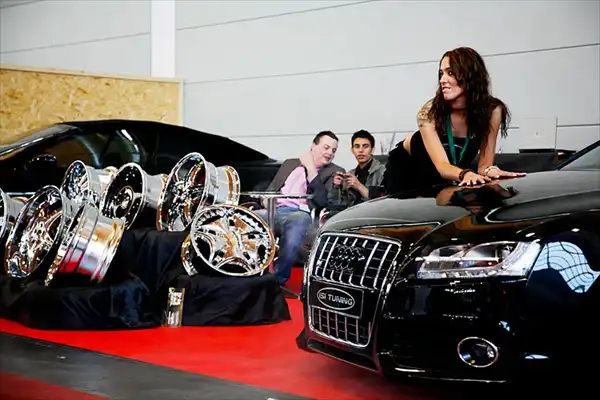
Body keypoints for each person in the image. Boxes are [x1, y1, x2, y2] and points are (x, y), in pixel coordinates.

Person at [381, 47, 526, 196]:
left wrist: (492, 171)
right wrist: (465, 174)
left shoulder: (492, 111)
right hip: (410, 165)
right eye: (441, 73)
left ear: (470, 75)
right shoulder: (428, 113)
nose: (442, 80)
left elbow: (484, 166)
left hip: (451, 170)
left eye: (450, 73)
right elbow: (442, 166)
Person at [256, 131, 344, 286]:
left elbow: (322, 200)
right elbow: (271, 190)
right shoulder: (290, 163)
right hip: (272, 210)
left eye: (334, 150)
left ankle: (277, 280)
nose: (330, 153)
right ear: (313, 146)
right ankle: (251, 276)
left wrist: (311, 168)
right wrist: (265, 200)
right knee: (247, 219)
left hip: (299, 213)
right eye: (326, 148)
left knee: (295, 228)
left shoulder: (334, 171)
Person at [328, 130, 386, 214]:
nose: (361, 150)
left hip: (374, 216)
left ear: (372, 150)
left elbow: (385, 203)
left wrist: (359, 186)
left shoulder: (383, 172)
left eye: (365, 146)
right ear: (352, 150)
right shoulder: (351, 174)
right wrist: (336, 187)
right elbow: (337, 205)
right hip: (352, 217)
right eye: (357, 146)